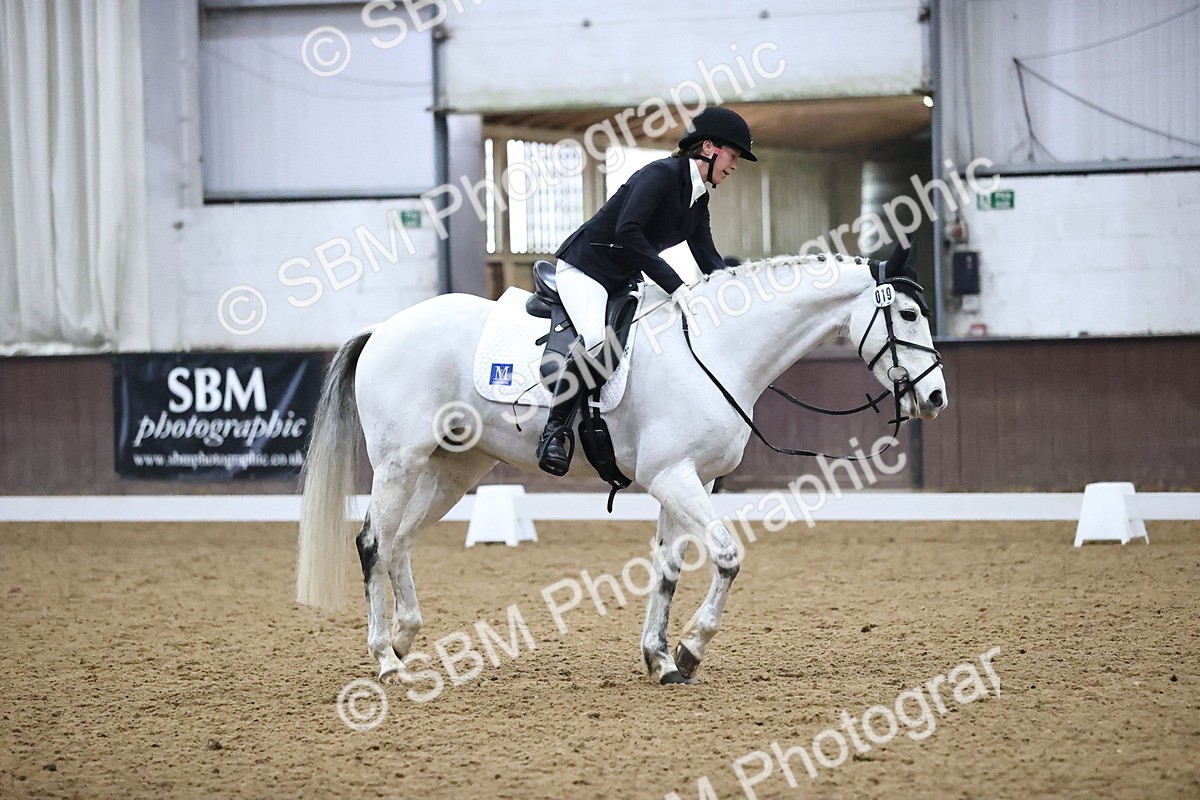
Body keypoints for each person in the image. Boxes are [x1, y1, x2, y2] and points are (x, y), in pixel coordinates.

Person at [536, 106, 758, 476]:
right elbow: (628, 230)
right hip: (587, 269)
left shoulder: (698, 198)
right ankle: (554, 432)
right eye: (733, 156)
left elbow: (708, 257)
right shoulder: (660, 175)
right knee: (597, 342)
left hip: (623, 280)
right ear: (708, 148)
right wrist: (675, 285)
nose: (734, 166)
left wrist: (738, 294)